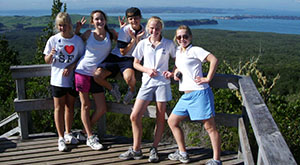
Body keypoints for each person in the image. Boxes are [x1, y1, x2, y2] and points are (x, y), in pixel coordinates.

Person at [119, 16, 176, 163]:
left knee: (160, 116)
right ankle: (136, 149)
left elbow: (178, 61)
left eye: (157, 28)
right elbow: (135, 63)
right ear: (147, 28)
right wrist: (146, 70)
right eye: (151, 28)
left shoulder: (168, 44)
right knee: (134, 115)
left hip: (163, 84)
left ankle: (154, 148)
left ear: (161, 28)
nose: (154, 30)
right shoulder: (143, 43)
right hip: (147, 82)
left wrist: (171, 72)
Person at [167, 25, 221, 164]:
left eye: (185, 36)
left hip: (200, 93)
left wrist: (208, 78)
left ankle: (216, 160)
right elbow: (179, 66)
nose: (182, 39)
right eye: (179, 37)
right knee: (172, 121)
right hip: (186, 96)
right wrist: (175, 74)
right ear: (176, 38)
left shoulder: (196, 50)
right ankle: (183, 152)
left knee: (210, 127)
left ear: (190, 37)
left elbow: (214, 60)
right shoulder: (179, 51)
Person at [74, 10, 117, 150]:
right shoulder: (88, 34)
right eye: (96, 19)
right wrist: (77, 30)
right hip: (82, 72)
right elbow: (74, 44)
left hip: (96, 75)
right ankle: (91, 137)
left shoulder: (110, 34)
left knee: (102, 108)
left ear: (105, 20)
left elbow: (124, 44)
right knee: (85, 105)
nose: (99, 21)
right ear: (92, 22)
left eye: (101, 18)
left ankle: (85, 132)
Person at [43, 12, 84, 152]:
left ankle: (68, 132)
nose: (62, 28)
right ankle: (60, 137)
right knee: (58, 108)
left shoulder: (77, 40)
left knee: (70, 107)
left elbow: (82, 58)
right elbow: (46, 60)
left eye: (65, 25)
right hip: (57, 79)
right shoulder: (53, 40)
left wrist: (72, 66)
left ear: (70, 25)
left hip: (72, 79)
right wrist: (50, 55)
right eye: (60, 25)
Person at [94, 7, 147, 105]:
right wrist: (133, 40)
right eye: (130, 18)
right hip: (116, 56)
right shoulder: (125, 30)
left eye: (136, 18)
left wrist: (137, 40)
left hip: (130, 58)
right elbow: (122, 51)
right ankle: (112, 87)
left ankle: (131, 90)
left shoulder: (146, 32)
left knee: (129, 78)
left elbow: (144, 50)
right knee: (97, 76)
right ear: (128, 20)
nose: (133, 21)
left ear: (140, 18)